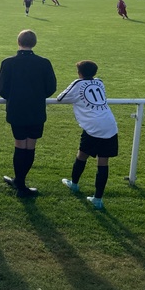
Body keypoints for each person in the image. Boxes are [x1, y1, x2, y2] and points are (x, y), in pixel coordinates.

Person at [0, 30, 56, 198]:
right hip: (36, 109)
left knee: (20, 145)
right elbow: (51, 87)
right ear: (34, 43)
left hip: (17, 109)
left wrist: (14, 97)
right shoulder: (44, 63)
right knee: (30, 146)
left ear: (18, 42)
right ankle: (20, 183)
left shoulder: (8, 63)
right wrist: (36, 96)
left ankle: (20, 183)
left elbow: (1, 88)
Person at [57, 60, 118, 210]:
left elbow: (60, 98)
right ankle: (98, 199)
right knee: (103, 162)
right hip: (110, 125)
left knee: (82, 155)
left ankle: (74, 184)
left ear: (79, 73)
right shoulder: (100, 82)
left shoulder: (78, 83)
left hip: (93, 127)